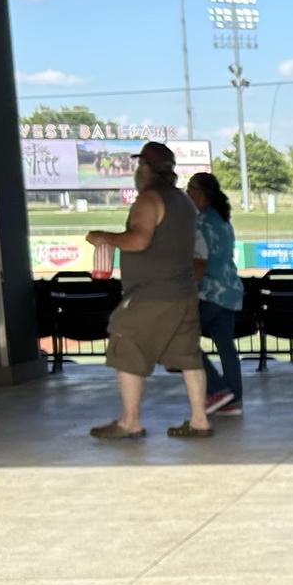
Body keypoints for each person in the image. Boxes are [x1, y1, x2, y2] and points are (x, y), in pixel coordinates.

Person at [85, 142, 211, 441]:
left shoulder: (149, 199)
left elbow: (139, 240)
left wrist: (105, 237)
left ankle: (129, 422)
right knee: (189, 357)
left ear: (145, 167)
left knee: (126, 342)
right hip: (183, 293)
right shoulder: (184, 201)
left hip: (151, 294)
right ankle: (200, 421)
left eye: (139, 165)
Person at [188, 172, 244, 416]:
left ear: (201, 192)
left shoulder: (200, 221)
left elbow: (199, 261)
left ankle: (218, 389)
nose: (187, 193)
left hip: (209, 292)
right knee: (225, 347)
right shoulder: (223, 220)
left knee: (183, 339)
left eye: (190, 188)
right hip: (230, 291)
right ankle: (233, 399)